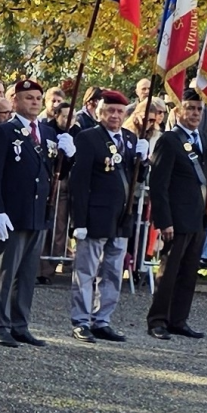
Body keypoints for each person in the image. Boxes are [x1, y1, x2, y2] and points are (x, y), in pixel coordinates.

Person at [146, 91, 207, 339]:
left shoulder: (204, 138)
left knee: (189, 272)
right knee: (169, 273)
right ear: (178, 111)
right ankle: (158, 320)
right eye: (190, 108)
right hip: (176, 218)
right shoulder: (170, 140)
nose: (195, 114)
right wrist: (164, 220)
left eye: (199, 109)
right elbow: (158, 184)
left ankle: (178, 320)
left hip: (198, 216)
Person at [0, 78, 56, 346]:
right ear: (14, 100)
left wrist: (69, 155)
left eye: (38, 97)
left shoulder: (46, 132)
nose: (35, 102)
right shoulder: (4, 131)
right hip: (13, 212)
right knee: (8, 271)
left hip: (37, 211)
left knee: (27, 274)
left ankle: (19, 323)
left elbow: (50, 173)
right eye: (29, 97)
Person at [68, 88, 138, 341]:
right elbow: (79, 181)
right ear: (100, 112)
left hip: (121, 218)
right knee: (86, 272)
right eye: (110, 110)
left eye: (120, 111)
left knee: (112, 272)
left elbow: (134, 179)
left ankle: (102, 319)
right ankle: (81, 320)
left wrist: (143, 158)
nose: (115, 116)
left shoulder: (130, 139)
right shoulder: (89, 138)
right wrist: (80, 220)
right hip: (95, 216)